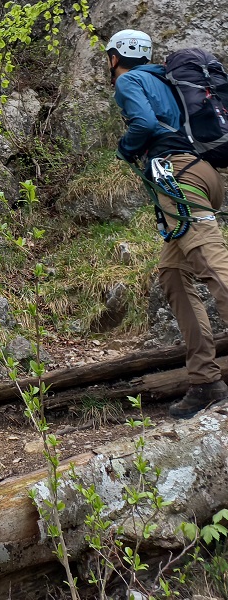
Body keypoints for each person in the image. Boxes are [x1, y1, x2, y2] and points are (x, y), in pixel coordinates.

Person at [107, 28, 228, 418]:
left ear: (114, 57)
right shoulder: (166, 78)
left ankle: (207, 381)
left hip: (176, 175)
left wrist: (125, 149)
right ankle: (206, 381)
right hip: (205, 174)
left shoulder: (129, 80)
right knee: (173, 274)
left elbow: (141, 124)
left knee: (208, 259)